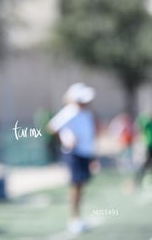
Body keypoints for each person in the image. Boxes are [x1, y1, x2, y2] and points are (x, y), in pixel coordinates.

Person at [47, 82, 97, 234]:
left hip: (85, 154)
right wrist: (65, 138)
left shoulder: (86, 113)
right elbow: (52, 127)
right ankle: (73, 219)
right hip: (75, 154)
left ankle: (77, 218)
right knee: (76, 185)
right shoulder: (71, 111)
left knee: (81, 186)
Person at [135, 112, 152, 186]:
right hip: (149, 147)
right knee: (146, 164)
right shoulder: (147, 124)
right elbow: (139, 121)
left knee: (147, 164)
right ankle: (138, 180)